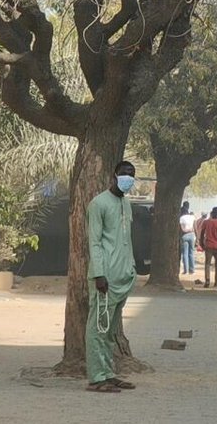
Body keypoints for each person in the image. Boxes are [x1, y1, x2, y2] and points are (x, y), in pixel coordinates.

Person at [86, 161, 139, 393]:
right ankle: (97, 377)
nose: (128, 178)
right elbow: (95, 241)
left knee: (111, 329)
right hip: (105, 277)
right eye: (125, 174)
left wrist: (132, 268)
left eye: (132, 175)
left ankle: (108, 372)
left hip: (123, 276)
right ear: (115, 174)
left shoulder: (126, 204)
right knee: (98, 327)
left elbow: (126, 240)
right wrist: (99, 274)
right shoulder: (98, 204)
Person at [200, 207, 217, 287]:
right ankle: (216, 281)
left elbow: (202, 233)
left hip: (208, 245)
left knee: (207, 264)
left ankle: (207, 281)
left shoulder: (206, 222)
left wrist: (201, 243)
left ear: (211, 213)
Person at [178, 205, 196, 276]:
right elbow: (195, 227)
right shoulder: (192, 217)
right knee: (191, 253)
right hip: (191, 235)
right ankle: (192, 270)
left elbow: (181, 228)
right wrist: (197, 237)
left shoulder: (181, 218)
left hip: (184, 235)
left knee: (185, 253)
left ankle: (186, 270)